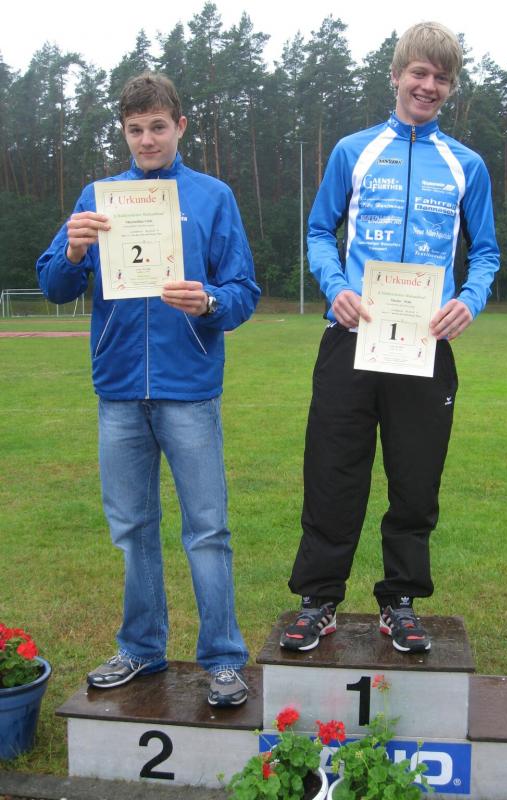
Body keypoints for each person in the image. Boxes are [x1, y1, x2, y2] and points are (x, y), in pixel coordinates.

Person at [37, 72, 260, 706]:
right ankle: (141, 647)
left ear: (180, 127)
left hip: (189, 390)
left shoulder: (213, 197)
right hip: (118, 393)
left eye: (158, 126)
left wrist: (209, 302)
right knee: (131, 527)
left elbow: (242, 291)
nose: (147, 139)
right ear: (124, 132)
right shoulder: (98, 197)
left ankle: (223, 659)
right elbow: (53, 284)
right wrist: (73, 252)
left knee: (207, 529)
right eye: (135, 129)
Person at [280, 22, 500, 654]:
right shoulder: (353, 151)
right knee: (333, 473)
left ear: (450, 88)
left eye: (441, 78)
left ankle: (400, 602)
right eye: (419, 73)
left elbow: (485, 253)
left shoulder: (466, 165)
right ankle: (318, 600)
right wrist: (334, 287)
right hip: (352, 337)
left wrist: (468, 301)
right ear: (397, 75)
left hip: (426, 344)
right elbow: (320, 231)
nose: (428, 86)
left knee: (415, 480)